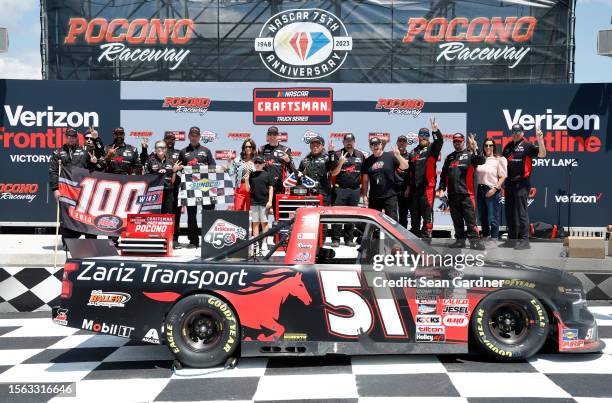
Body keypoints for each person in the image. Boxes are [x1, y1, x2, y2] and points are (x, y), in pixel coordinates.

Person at [500, 123, 546, 249]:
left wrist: (540, 139)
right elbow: (503, 164)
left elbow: (542, 154)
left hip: (522, 183)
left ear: (523, 133)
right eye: (514, 132)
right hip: (509, 183)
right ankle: (512, 239)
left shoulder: (527, 145)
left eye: (518, 132)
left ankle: (525, 241)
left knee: (521, 212)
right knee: (509, 212)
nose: (515, 134)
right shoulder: (508, 147)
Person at [437, 133, 486, 250]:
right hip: (453, 195)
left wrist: (476, 148)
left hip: (467, 194)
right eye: (455, 141)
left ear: (463, 142)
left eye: (459, 141)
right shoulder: (449, 158)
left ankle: (475, 241)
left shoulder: (470, 155)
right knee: (457, 220)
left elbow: (482, 160)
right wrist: (441, 189)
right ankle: (460, 241)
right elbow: (443, 176)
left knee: (470, 220)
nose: (457, 143)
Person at [49, 128, 96, 246]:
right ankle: (68, 243)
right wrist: (55, 189)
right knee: (66, 216)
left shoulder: (86, 150)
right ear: (66, 137)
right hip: (66, 190)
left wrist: (94, 162)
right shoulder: (58, 152)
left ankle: (91, 243)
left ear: (77, 138)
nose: (71, 138)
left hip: (83, 190)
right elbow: (53, 171)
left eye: (73, 136)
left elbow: (97, 167)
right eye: (69, 136)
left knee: (87, 216)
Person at [407, 118, 444, 243]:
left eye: (426, 135)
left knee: (427, 214)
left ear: (428, 137)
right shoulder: (413, 152)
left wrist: (435, 131)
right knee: (415, 215)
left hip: (428, 188)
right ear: (418, 137)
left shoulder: (432, 149)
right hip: (415, 189)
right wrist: (408, 187)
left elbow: (440, 142)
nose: (424, 137)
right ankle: (414, 235)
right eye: (421, 135)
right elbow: (410, 173)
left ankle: (427, 236)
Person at [178, 126, 216, 249]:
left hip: (205, 186)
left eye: (196, 135)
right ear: (189, 136)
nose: (194, 137)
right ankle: (193, 241)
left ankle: (208, 240)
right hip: (190, 187)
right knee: (191, 214)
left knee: (208, 213)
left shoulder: (206, 150)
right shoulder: (183, 152)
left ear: (199, 137)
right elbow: (179, 170)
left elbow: (213, 167)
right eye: (192, 135)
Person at [361, 137, 408, 222]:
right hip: (374, 197)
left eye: (377, 144)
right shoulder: (367, 161)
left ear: (381, 144)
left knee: (392, 224)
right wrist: (364, 195)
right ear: (370, 147)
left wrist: (398, 156)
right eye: (373, 145)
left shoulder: (390, 156)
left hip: (390, 196)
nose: (375, 146)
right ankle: (374, 236)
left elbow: (405, 166)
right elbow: (365, 180)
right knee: (373, 223)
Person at [331, 133, 366, 247]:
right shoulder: (337, 154)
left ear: (354, 142)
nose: (349, 143)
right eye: (347, 141)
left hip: (355, 190)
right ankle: (335, 239)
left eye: (351, 141)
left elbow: (364, 174)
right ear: (343, 142)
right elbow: (333, 173)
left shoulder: (360, 155)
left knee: (351, 216)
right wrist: (341, 162)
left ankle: (349, 239)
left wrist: (363, 191)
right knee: (337, 215)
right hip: (340, 189)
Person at [258, 126, 296, 211]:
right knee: (262, 219)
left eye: (274, 134)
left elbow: (292, 170)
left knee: (279, 216)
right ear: (267, 136)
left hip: (279, 187)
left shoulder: (285, 150)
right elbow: (257, 167)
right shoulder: (261, 149)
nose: (272, 137)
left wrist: (288, 160)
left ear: (278, 136)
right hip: (264, 187)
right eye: (270, 134)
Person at [476, 138, 507, 241]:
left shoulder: (499, 159)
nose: (488, 147)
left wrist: (494, 189)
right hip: (480, 189)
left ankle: (494, 239)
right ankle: (486, 237)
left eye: (490, 145)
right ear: (483, 147)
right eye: (486, 145)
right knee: (482, 217)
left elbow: (503, 177)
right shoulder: (481, 159)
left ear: (494, 147)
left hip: (492, 190)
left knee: (493, 218)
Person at [145, 140, 183, 215]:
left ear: (165, 149)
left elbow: (172, 181)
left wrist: (174, 171)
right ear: (155, 149)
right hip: (154, 192)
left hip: (168, 192)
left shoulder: (171, 161)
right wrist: (157, 174)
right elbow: (146, 178)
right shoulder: (149, 161)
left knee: (167, 216)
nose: (160, 149)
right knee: (154, 216)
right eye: (158, 147)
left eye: (162, 147)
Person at [245, 155, 273, 255]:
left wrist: (270, 201)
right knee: (255, 223)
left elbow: (271, 188)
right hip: (254, 202)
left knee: (264, 223)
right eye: (256, 162)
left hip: (264, 203)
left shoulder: (267, 174)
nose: (257, 164)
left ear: (263, 164)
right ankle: (256, 242)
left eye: (259, 163)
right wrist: (247, 180)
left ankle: (265, 242)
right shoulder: (251, 175)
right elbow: (248, 190)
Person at [226, 139, 256, 211]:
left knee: (251, 211)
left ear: (253, 148)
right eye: (246, 147)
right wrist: (229, 161)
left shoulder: (257, 160)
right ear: (243, 148)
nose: (248, 148)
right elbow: (230, 173)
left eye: (250, 146)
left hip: (253, 188)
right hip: (240, 186)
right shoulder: (237, 160)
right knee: (238, 210)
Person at [395, 135, 411, 228]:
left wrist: (408, 188)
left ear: (406, 144)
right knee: (392, 214)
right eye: (400, 141)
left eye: (403, 141)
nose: (401, 143)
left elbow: (411, 174)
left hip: (405, 188)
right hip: (393, 188)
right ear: (397, 143)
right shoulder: (393, 155)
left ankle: (402, 236)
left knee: (403, 214)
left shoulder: (410, 155)